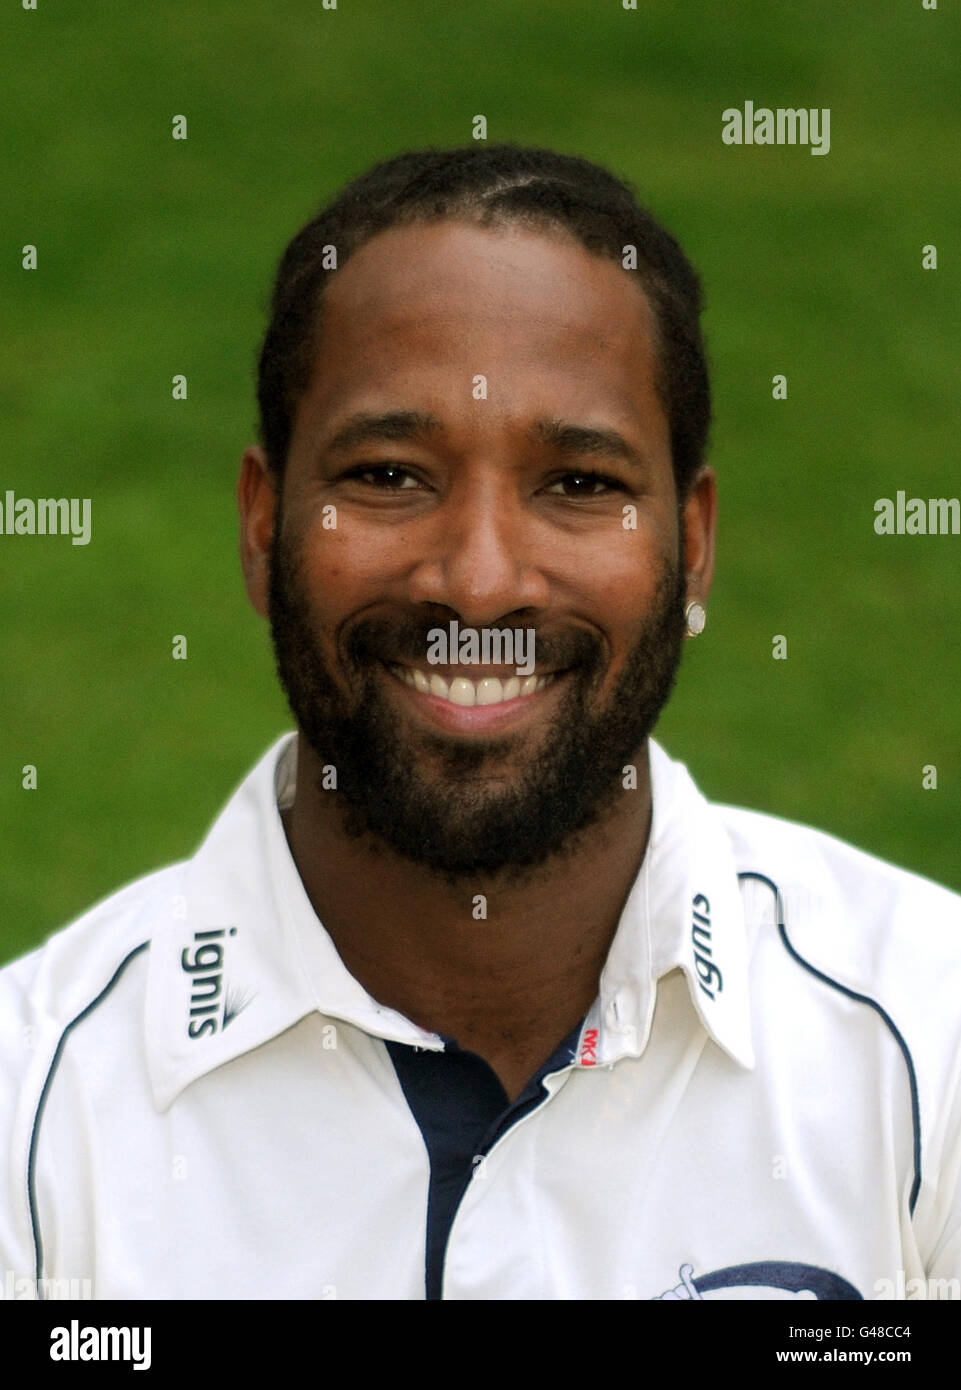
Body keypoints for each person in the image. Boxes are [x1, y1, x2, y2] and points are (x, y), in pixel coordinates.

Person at [1, 144, 958, 1303]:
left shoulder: (930, 1039)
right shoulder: (32, 1116)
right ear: (262, 526)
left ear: (692, 546)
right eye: (391, 474)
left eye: (579, 484)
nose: (481, 582)